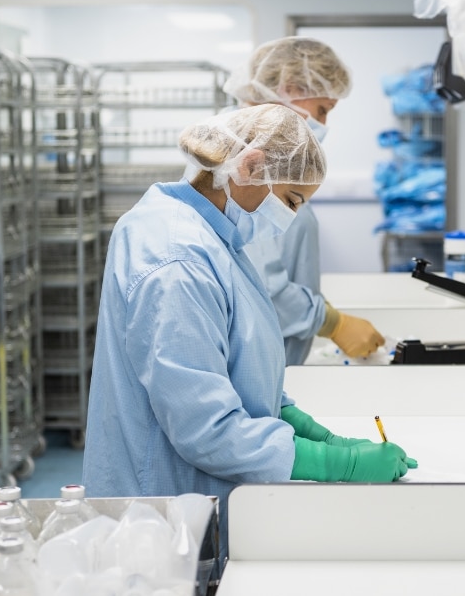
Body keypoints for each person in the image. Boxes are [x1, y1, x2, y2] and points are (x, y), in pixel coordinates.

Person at [82, 104, 417, 559]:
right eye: (292, 200)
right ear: (252, 167)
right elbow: (207, 429)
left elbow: (228, 366)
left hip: (195, 498)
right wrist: (337, 463)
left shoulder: (210, 234)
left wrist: (307, 429)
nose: (291, 217)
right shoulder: (177, 260)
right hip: (164, 515)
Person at [222, 36, 385, 365]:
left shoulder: (259, 151)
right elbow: (259, 287)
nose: (323, 124)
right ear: (290, 87)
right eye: (322, 109)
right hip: (255, 365)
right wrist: (331, 322)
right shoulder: (244, 160)